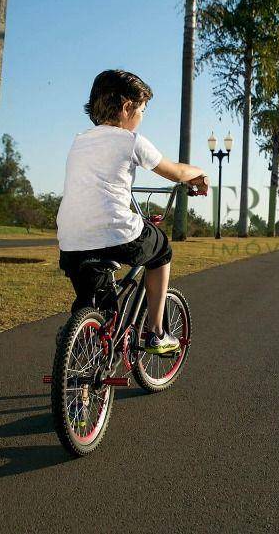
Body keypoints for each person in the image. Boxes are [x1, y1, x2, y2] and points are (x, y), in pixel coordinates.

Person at [56, 69, 209, 354]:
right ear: (128, 107)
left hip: (71, 239)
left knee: (98, 310)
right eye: (142, 110)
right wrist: (199, 173)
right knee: (161, 248)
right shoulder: (131, 141)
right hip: (116, 232)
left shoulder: (80, 140)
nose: (141, 116)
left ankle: (80, 386)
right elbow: (176, 172)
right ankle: (156, 332)